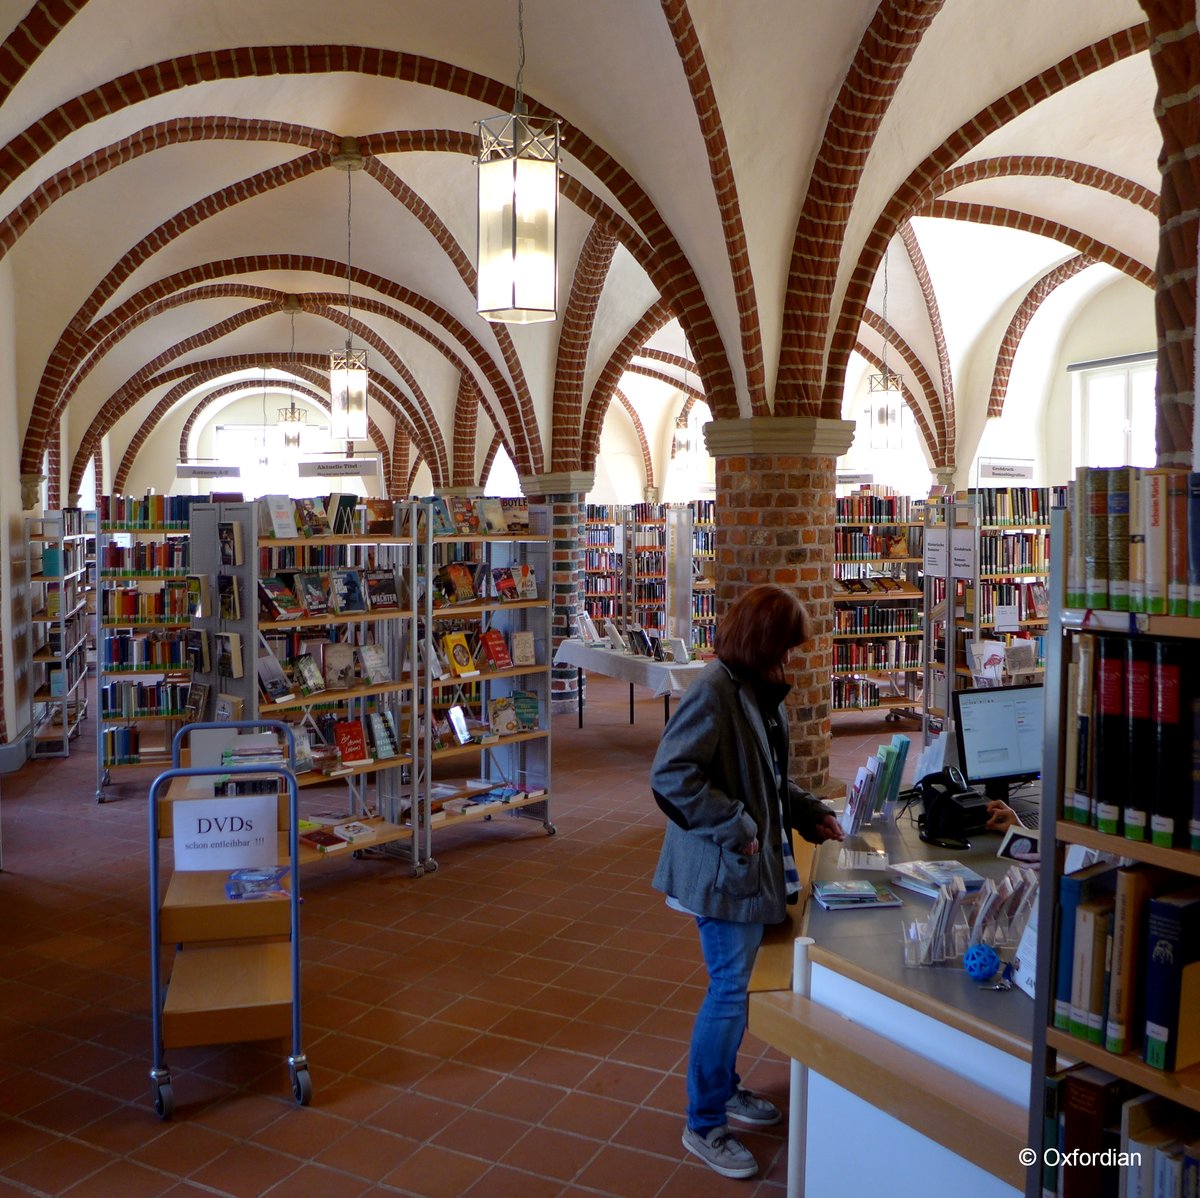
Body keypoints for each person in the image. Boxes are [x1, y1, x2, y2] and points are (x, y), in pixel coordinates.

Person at [650, 584, 844, 1180]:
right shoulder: (712, 692)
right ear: (762, 642)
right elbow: (671, 776)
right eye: (785, 647)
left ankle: (725, 1090)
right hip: (720, 871)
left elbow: (766, 780)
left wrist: (808, 810)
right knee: (730, 992)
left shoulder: (756, 691)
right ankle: (703, 1122)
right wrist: (736, 825)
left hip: (742, 864)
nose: (790, 660)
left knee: (735, 989)